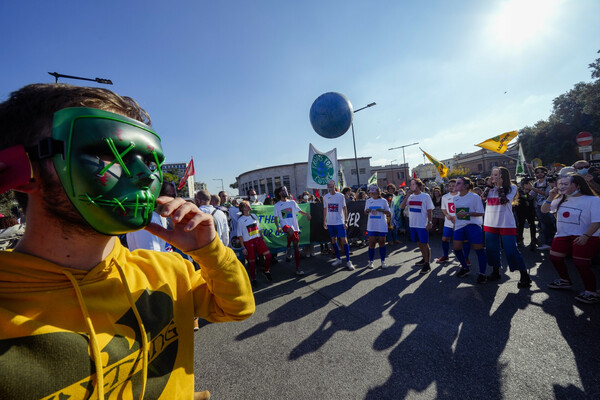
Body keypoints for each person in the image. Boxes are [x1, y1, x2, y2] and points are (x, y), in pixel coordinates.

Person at [0, 83, 254, 399]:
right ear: (21, 169)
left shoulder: (168, 271)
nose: (146, 176)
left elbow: (238, 307)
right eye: (107, 153)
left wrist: (210, 250)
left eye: (150, 162)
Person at [541, 174, 600, 304]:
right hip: (563, 234)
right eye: (560, 184)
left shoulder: (593, 200)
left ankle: (591, 292)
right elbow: (544, 210)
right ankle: (564, 280)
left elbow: (597, 222)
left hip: (585, 235)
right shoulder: (561, 198)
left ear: (578, 185)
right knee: (555, 258)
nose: (562, 186)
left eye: (566, 184)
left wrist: (586, 236)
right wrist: (551, 196)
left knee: (581, 264)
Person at [482, 167, 532, 288]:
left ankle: (524, 275)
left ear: (502, 176)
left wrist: (499, 187)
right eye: (492, 174)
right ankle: (495, 271)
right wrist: (489, 187)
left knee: (511, 250)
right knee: (491, 249)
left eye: (495, 175)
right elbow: (482, 199)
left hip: (506, 223)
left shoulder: (512, 187)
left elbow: (503, 201)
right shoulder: (490, 189)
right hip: (490, 223)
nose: (492, 177)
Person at [451, 177, 488, 283]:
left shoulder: (474, 197)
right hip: (459, 226)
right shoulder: (455, 198)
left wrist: (467, 213)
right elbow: (457, 213)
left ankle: (482, 273)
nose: (455, 185)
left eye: (458, 183)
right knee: (456, 248)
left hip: (473, 225)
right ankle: (465, 268)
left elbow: (481, 212)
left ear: (466, 186)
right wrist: (455, 223)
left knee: (479, 250)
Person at [273, 186, 311, 275]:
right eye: (283, 190)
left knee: (297, 248)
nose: (285, 191)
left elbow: (300, 211)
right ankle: (288, 248)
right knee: (290, 231)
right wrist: (278, 226)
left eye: (286, 190)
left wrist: (307, 214)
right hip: (284, 225)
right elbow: (275, 218)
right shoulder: (277, 205)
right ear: (280, 193)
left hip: (294, 227)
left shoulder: (292, 202)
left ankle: (298, 268)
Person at [400, 178, 434, 274]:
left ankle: (427, 264)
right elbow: (402, 207)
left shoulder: (425, 196)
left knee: (424, 243)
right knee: (419, 243)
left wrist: (430, 222)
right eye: (411, 184)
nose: (411, 186)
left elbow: (429, 210)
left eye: (413, 184)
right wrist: (407, 195)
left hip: (422, 224)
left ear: (419, 186)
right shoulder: (410, 197)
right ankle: (424, 258)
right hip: (413, 224)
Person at [237, 200, 273, 289]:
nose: (248, 206)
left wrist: (263, 238)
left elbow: (259, 228)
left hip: (258, 240)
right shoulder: (240, 220)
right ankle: (254, 279)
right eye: (246, 205)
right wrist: (243, 248)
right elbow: (240, 236)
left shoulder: (254, 216)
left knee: (268, 256)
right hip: (248, 243)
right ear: (242, 208)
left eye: (248, 204)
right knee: (252, 263)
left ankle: (266, 271)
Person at [323, 179, 354, 270]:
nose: (330, 186)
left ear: (334, 185)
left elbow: (345, 209)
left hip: (340, 222)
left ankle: (348, 261)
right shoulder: (325, 197)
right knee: (333, 241)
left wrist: (346, 221)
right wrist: (324, 221)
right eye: (329, 184)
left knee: (344, 241)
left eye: (332, 184)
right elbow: (325, 209)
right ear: (327, 186)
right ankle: (338, 259)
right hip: (330, 223)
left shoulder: (340, 196)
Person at [525, 166, 554, 250]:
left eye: (541, 172)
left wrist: (532, 188)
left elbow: (547, 193)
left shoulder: (549, 181)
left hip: (550, 206)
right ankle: (548, 243)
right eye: (537, 172)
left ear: (545, 172)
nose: (539, 174)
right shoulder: (536, 183)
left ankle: (555, 243)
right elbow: (531, 196)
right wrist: (526, 192)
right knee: (544, 225)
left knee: (553, 225)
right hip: (538, 206)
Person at [364, 185, 391, 269]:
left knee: (382, 242)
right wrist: (368, 211)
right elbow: (365, 212)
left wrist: (382, 210)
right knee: (371, 243)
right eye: (372, 193)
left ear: (378, 192)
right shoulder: (368, 201)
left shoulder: (383, 201)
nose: (373, 194)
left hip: (381, 225)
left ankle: (383, 261)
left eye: (375, 193)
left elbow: (388, 213)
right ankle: (371, 261)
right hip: (372, 225)